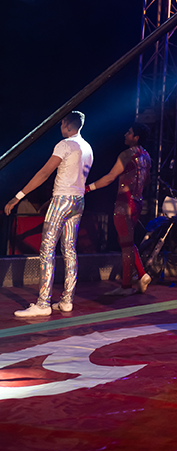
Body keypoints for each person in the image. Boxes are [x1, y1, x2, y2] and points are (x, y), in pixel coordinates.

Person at [4, 111, 93, 317]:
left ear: (66, 124)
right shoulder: (88, 147)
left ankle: (43, 303)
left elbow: (44, 173)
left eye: (61, 123)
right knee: (69, 250)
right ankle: (67, 300)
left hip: (62, 200)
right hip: (78, 201)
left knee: (47, 250)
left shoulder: (65, 145)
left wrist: (18, 196)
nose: (60, 126)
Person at [86, 123, 152, 296]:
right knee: (127, 241)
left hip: (125, 202)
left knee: (125, 242)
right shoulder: (146, 156)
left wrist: (87, 188)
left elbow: (109, 178)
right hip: (137, 202)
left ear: (136, 137)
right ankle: (139, 276)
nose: (125, 134)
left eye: (129, 132)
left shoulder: (127, 154)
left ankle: (129, 284)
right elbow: (147, 181)